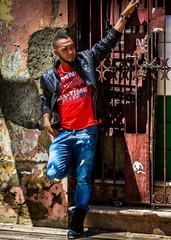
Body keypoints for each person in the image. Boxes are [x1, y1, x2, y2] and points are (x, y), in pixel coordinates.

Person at [40, 0, 139, 238]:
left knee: (83, 179)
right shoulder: (48, 77)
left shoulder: (85, 60)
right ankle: (86, 169)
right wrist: (46, 120)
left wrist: (124, 16)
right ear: (56, 52)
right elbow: (46, 100)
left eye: (72, 47)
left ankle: (78, 219)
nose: (71, 52)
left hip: (87, 130)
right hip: (64, 132)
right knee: (54, 171)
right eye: (66, 49)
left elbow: (108, 42)